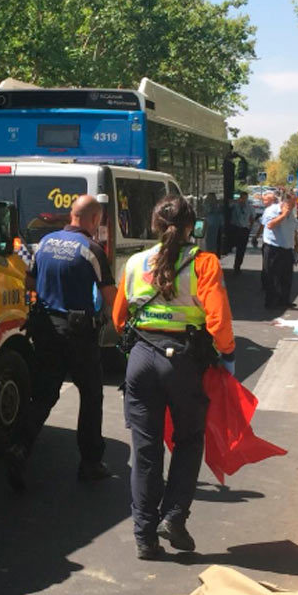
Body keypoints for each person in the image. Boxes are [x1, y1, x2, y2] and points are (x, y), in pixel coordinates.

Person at [112, 196, 235, 560]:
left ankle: (144, 538)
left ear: (153, 224)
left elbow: (119, 318)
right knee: (188, 440)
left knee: (146, 451)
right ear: (191, 227)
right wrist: (227, 354)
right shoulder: (204, 263)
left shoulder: (135, 263)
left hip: (140, 359)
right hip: (182, 361)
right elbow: (218, 321)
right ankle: (174, 516)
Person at [6, 195, 115, 491]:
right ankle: (91, 463)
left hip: (45, 329)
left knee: (43, 394)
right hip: (79, 333)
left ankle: (19, 448)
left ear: (71, 215)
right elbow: (108, 296)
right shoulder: (92, 249)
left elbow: (29, 282)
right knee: (91, 395)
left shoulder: (44, 243)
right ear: (94, 220)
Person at [260, 190, 298, 309]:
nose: (293, 206)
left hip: (287, 248)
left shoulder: (291, 213)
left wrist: (296, 243)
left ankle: (284, 300)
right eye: (291, 204)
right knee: (271, 276)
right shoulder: (271, 210)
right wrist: (283, 215)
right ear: (284, 202)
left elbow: (294, 228)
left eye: (294, 204)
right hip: (273, 248)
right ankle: (270, 301)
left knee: (286, 277)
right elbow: (270, 225)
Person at [227, 192, 253, 275]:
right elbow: (228, 204)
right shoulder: (235, 205)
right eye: (242, 198)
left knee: (241, 249)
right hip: (235, 228)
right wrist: (236, 201)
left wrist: (250, 228)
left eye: (245, 198)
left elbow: (252, 217)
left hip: (244, 229)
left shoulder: (249, 207)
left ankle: (237, 266)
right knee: (231, 245)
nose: (244, 200)